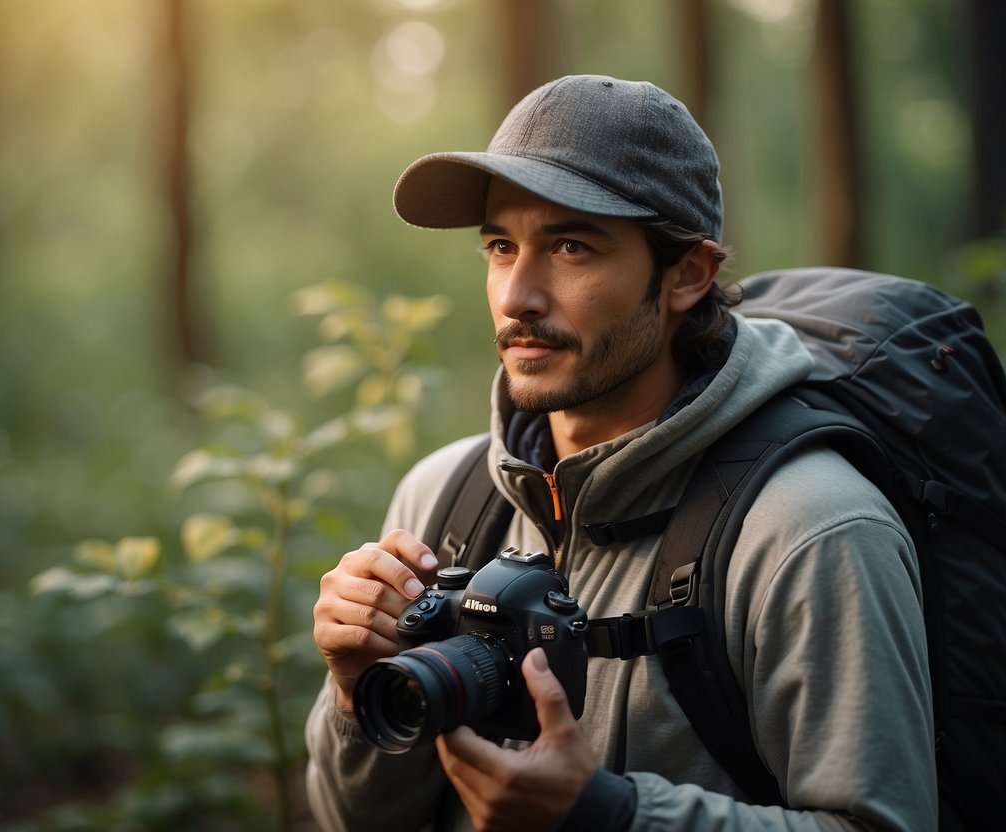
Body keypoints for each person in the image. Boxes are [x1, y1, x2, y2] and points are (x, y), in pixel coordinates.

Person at [304, 75, 935, 831]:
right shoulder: (443, 497)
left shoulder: (810, 529)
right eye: (500, 246)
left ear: (687, 276)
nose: (516, 296)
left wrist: (615, 816)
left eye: (570, 246)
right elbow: (353, 820)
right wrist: (357, 690)